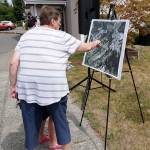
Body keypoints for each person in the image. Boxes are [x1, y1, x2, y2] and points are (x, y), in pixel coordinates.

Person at [9, 5, 100, 150]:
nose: (60, 24)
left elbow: (13, 63)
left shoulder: (26, 35)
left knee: (31, 126)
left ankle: (34, 143)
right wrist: (95, 43)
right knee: (61, 122)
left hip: (28, 90)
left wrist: (13, 86)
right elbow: (85, 47)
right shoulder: (61, 36)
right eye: (59, 21)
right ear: (52, 20)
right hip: (54, 90)